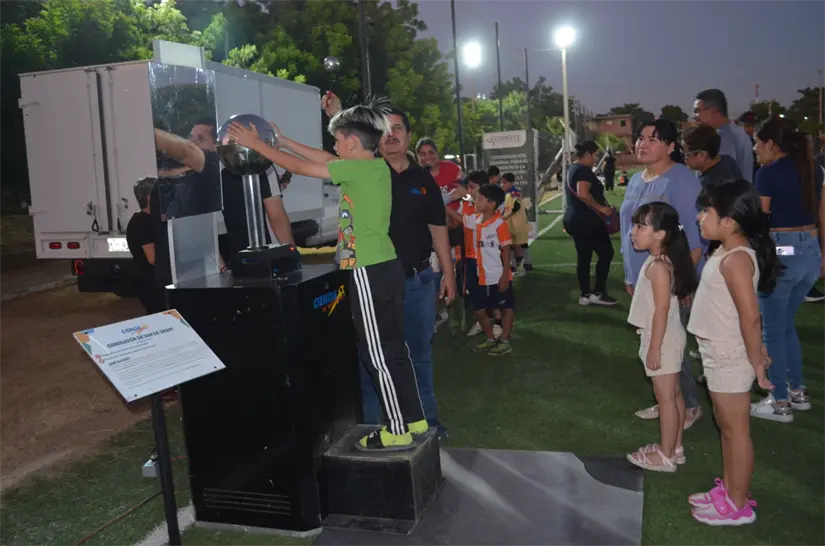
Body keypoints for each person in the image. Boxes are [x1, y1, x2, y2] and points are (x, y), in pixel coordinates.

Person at [227, 100, 428, 451]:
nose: (333, 148)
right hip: (387, 267)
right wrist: (284, 140)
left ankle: (397, 429)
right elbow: (321, 159)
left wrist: (257, 144)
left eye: (337, 141)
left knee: (376, 355)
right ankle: (413, 418)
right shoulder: (374, 167)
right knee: (395, 349)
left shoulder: (356, 170)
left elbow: (301, 169)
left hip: (367, 271)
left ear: (351, 142)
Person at [322, 94, 457, 439]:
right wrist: (339, 116)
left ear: (409, 135)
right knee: (373, 360)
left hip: (416, 281)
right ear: (376, 136)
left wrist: (448, 274)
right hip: (379, 276)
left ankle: (425, 425)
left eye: (399, 128)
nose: (392, 135)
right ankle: (376, 425)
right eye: (386, 129)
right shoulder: (369, 170)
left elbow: (438, 230)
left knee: (415, 357)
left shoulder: (422, 179)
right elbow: (342, 149)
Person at [687, 180, 780, 526]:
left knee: (735, 430)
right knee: (725, 427)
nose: (699, 217)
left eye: (705, 212)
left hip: (729, 355)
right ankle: (729, 489)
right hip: (719, 352)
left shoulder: (736, 259)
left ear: (728, 221)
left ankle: (738, 504)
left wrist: (757, 362)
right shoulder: (725, 251)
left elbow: (750, 316)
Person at [620, 119, 704, 429]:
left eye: (652, 139)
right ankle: (667, 399)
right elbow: (627, 228)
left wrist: (684, 282)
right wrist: (630, 274)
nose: (642, 144)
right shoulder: (635, 179)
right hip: (645, 277)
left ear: (671, 146)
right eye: (640, 138)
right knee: (652, 339)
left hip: (671, 280)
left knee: (670, 344)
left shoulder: (681, 180)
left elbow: (696, 238)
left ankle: (688, 405)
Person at [750, 118, 824, 423]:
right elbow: (821, 213)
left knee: (772, 330)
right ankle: (797, 391)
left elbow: (760, 219)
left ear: (770, 144)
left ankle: (779, 401)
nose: (754, 149)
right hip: (809, 248)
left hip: (784, 249)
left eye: (757, 143)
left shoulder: (767, 174)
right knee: (785, 324)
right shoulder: (813, 168)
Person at [626, 202, 698, 472]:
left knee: (665, 399)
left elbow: (662, 311)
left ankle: (665, 456)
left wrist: (654, 348)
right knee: (674, 395)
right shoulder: (661, 260)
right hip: (669, 337)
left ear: (660, 234)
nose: (634, 232)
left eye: (640, 226)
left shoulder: (657, 266)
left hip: (662, 339)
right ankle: (675, 448)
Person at [563, 141, 617, 306]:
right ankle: (598, 293)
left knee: (584, 257)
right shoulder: (583, 170)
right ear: (587, 154)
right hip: (587, 221)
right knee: (606, 253)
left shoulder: (572, 169)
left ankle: (585, 294)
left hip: (575, 219)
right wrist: (602, 209)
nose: (596, 158)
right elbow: (583, 194)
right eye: (594, 154)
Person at [464, 184, 515, 355]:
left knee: (506, 307)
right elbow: (458, 217)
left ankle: (505, 340)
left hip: (498, 275)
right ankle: (491, 338)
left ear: (492, 203)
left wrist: (505, 276)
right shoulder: (476, 220)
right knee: (478, 309)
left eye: (479, 199)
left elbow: (506, 250)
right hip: (481, 276)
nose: (475, 202)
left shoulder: (500, 224)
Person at [220, 167, 295, 263]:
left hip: (240, 258)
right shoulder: (264, 169)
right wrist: (292, 255)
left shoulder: (222, 170)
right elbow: (276, 216)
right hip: (271, 254)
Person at [693, 89, 755, 183]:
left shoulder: (723, 138)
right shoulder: (738, 132)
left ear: (713, 111)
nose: (694, 116)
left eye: (697, 111)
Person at [126, 177, 165, 314]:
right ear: (150, 198)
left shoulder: (152, 220)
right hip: (151, 285)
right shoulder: (140, 223)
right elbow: (152, 258)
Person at [682, 124, 743, 188]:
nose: (684, 158)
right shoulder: (728, 160)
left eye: (686, 154)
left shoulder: (706, 186)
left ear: (701, 155)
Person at [500, 173, 529, 276]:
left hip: (516, 224)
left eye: (505, 182)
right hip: (509, 224)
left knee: (517, 246)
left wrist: (506, 217)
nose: (502, 184)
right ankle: (512, 267)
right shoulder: (505, 194)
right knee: (509, 246)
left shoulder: (514, 193)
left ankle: (520, 268)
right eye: (501, 182)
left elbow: (516, 206)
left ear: (511, 183)